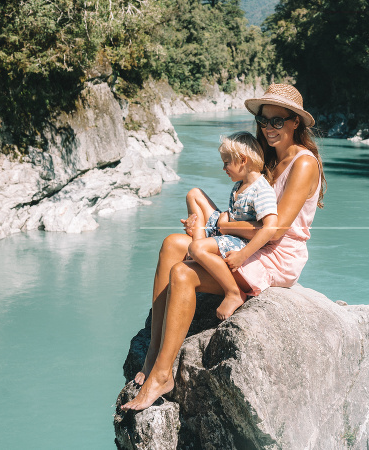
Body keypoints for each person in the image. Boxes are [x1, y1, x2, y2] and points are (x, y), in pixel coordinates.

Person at [121, 83, 326, 411]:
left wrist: (217, 225)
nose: (268, 128)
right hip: (251, 242)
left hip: (277, 254)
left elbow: (273, 231)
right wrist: (204, 223)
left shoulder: (303, 163)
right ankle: (152, 356)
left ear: (294, 123)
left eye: (277, 121)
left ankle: (162, 375)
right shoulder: (268, 158)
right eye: (264, 120)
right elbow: (248, 213)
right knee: (173, 244)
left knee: (183, 274)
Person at [186, 131, 278, 320]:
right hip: (227, 232)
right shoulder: (240, 185)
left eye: (227, 162)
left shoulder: (262, 190)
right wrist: (194, 223)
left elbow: (270, 227)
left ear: (242, 160)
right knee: (193, 193)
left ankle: (233, 293)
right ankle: (197, 245)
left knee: (197, 248)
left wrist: (243, 255)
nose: (224, 168)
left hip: (240, 243)